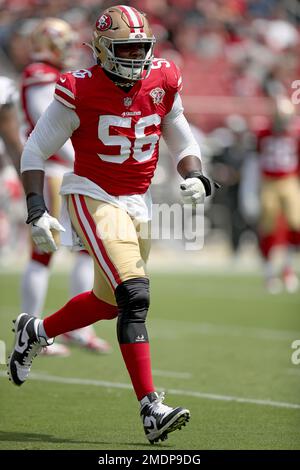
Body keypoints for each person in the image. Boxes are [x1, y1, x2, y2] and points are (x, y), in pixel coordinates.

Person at [7, 5, 214, 444]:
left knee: (110, 300)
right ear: (101, 50)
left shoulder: (162, 77)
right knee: (134, 294)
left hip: (137, 202)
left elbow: (179, 132)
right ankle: (151, 408)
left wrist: (194, 172)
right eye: (127, 48)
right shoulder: (78, 88)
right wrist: (36, 209)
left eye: (143, 47)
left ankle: (36, 331)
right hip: (90, 193)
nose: (137, 56)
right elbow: (34, 151)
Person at [20, 17, 111, 354]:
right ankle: (31, 326)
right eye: (64, 42)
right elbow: (51, 132)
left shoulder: (47, 74)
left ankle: (79, 330)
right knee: (43, 252)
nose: (70, 49)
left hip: (70, 173)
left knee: (86, 251)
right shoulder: (38, 74)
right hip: (55, 171)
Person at [256, 97, 300, 293]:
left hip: (290, 180)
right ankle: (269, 273)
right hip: (269, 181)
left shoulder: (295, 133)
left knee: (296, 224)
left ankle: (288, 269)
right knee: (268, 227)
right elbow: (255, 159)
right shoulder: (263, 133)